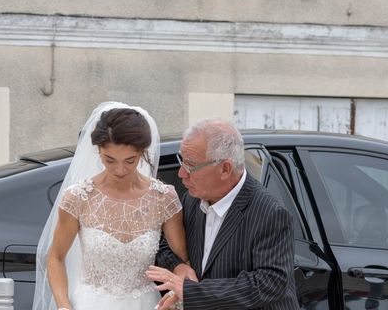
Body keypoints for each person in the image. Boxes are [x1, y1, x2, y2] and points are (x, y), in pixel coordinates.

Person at [33, 102, 189, 310]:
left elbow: (182, 261)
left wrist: (175, 296)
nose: (120, 169)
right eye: (110, 159)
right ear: (98, 151)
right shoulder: (78, 197)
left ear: (142, 153)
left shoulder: (164, 197)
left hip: (146, 304)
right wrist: (63, 305)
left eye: (130, 160)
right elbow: (55, 257)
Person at [147, 119, 298, 310]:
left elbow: (269, 282)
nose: (181, 173)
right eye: (181, 161)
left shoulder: (271, 212)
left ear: (225, 169)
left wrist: (191, 292)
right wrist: (179, 266)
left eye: (190, 165)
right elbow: (162, 242)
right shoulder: (191, 199)